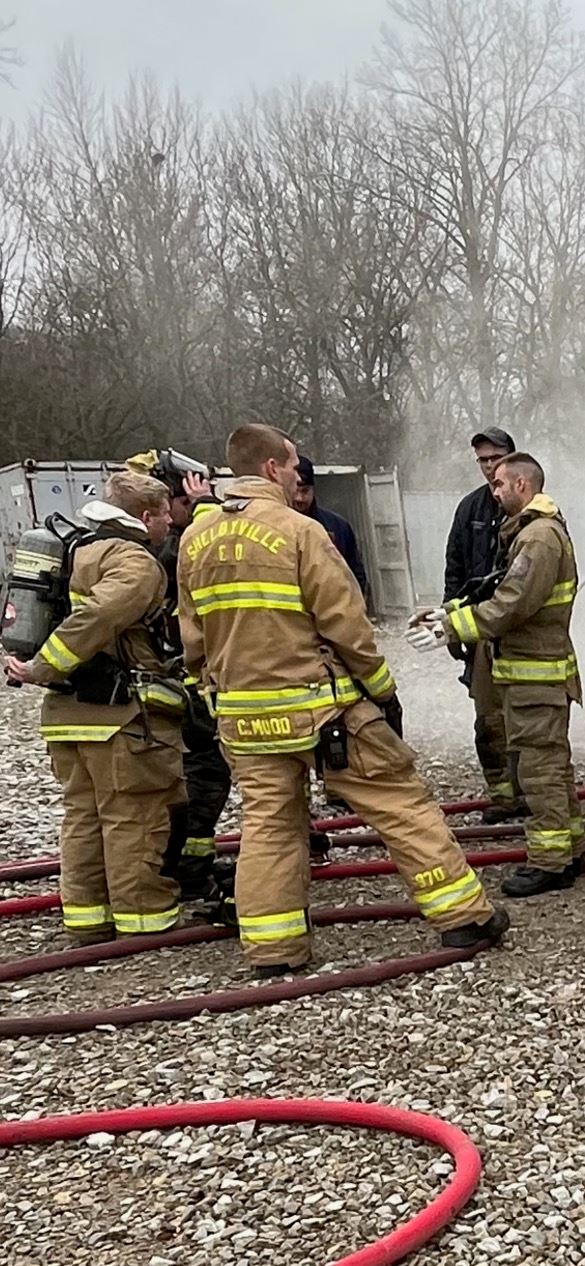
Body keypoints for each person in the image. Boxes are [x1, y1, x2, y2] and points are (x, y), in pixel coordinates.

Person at [177, 422, 508, 978]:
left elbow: (192, 634)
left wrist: (211, 689)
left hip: (242, 716)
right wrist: (381, 689)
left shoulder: (196, 537)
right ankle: (463, 917)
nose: (295, 475)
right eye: (291, 464)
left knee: (269, 825)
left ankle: (275, 949)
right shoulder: (298, 530)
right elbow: (346, 624)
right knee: (399, 800)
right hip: (321, 710)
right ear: (271, 468)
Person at [5, 472, 187, 943]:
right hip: (119, 717)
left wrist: (43, 670)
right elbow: (100, 615)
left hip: (66, 716)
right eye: (164, 514)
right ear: (145, 516)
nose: (169, 522)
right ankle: (143, 919)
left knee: (83, 817)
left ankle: (87, 920)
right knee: (133, 816)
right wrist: (46, 666)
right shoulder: (133, 560)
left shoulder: (75, 550)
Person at [408, 452, 584, 899]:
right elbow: (497, 588)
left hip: (535, 679)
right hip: (533, 677)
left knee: (539, 772)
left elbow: (511, 605)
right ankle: (572, 849)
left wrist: (450, 629)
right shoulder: (530, 532)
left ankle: (550, 863)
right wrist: (448, 610)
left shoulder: (539, 537)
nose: (494, 491)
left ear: (523, 485)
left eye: (501, 484)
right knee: (552, 768)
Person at [125, 450, 232, 901]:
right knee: (205, 775)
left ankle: (186, 864)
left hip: (165, 682)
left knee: (191, 776)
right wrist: (207, 508)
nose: (176, 517)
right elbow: (181, 560)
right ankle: (188, 869)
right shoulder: (153, 546)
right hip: (171, 683)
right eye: (180, 505)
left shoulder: (127, 540)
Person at [443, 427, 518, 824]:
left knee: (525, 717)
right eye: (483, 460)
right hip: (479, 632)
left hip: (519, 633)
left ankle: (530, 790)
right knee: (488, 719)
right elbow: (455, 567)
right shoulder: (470, 509)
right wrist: (451, 621)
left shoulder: (530, 510)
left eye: (496, 458)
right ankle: (503, 795)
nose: (489, 467)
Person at [294, 455, 368, 595]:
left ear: (313, 489)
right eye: (295, 491)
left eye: (305, 491)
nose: (300, 498)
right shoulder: (274, 527)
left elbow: (356, 575)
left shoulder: (338, 526)